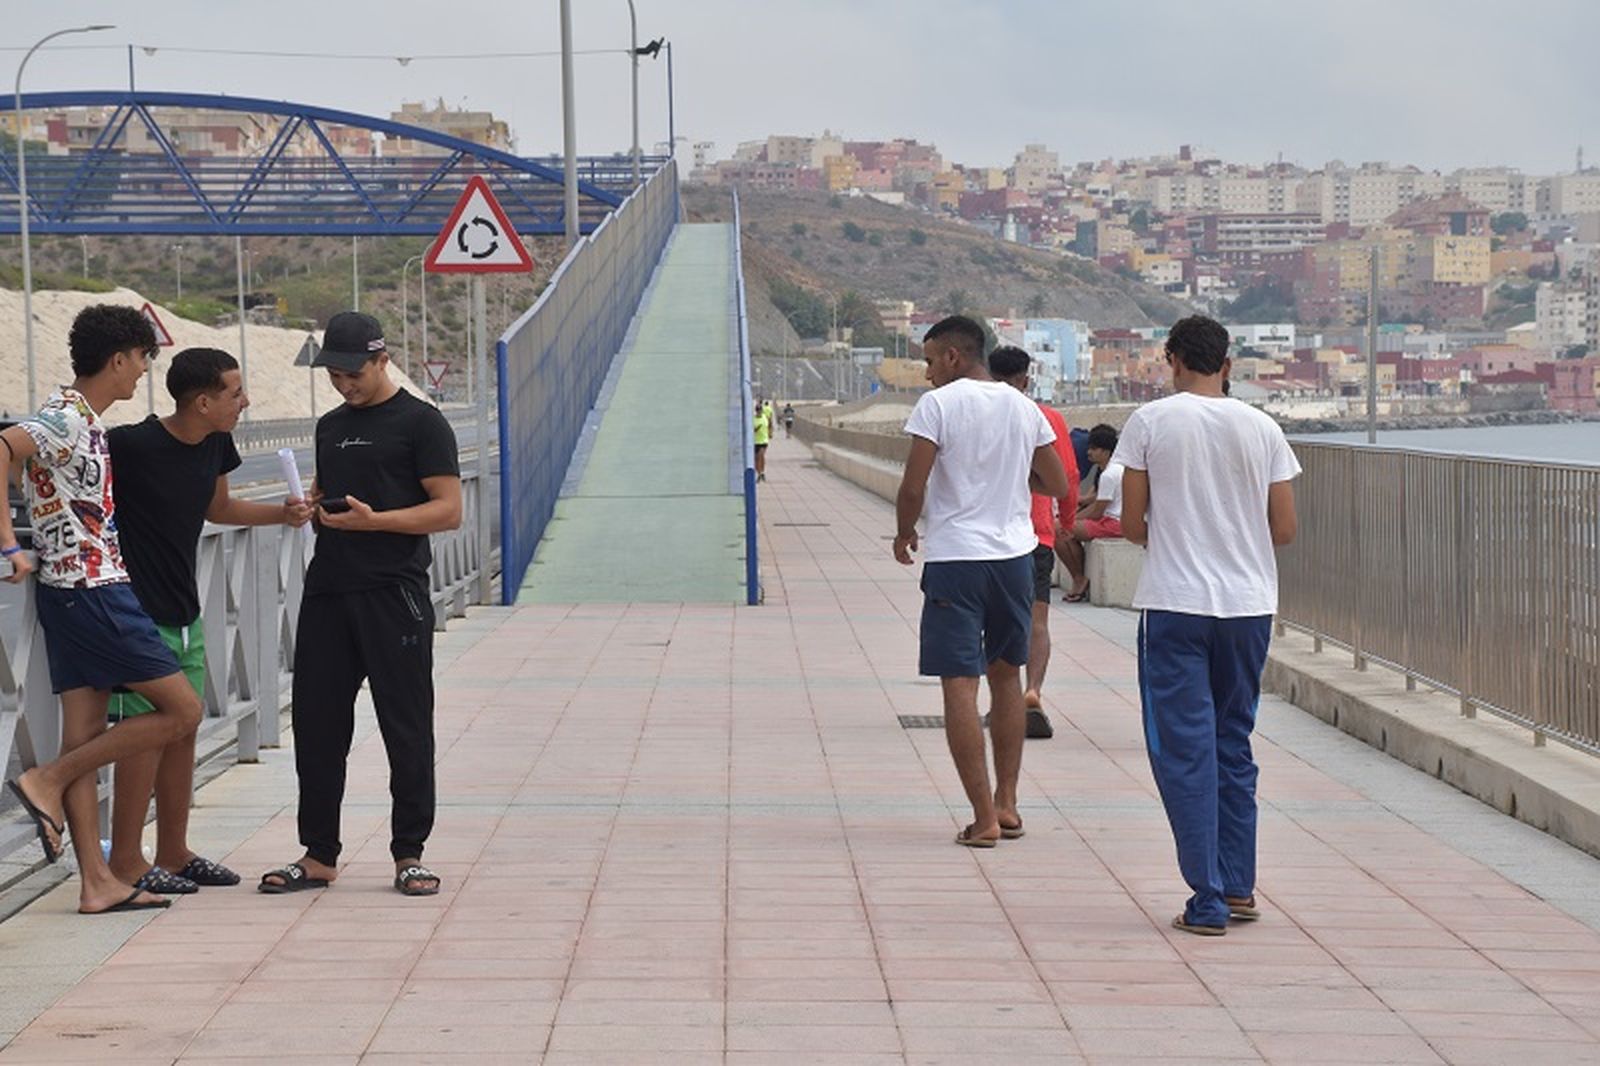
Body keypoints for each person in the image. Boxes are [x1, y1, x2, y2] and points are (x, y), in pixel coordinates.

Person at [0, 304, 203, 915]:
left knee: (85, 731)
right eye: (142, 359)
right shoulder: (63, 418)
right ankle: (48, 780)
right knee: (183, 710)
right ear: (119, 359)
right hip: (94, 591)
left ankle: (96, 883)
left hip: (71, 594)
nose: (143, 372)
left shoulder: (85, 421)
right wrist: (9, 543)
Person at [259, 311, 462, 898]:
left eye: (354, 373)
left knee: (405, 724)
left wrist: (378, 524)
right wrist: (307, 505)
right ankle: (318, 854)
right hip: (328, 590)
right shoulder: (330, 426)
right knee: (318, 726)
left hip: (393, 592)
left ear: (381, 360)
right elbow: (330, 492)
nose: (345, 384)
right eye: (335, 375)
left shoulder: (421, 424)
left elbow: (448, 510)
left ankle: (409, 854)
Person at [1112, 314, 1300, 936]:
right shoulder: (1263, 426)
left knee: (1183, 750)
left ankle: (1208, 896)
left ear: (1171, 360)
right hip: (1248, 607)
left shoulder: (1150, 423)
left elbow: (1133, 523)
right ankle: (1239, 883)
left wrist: (1177, 535)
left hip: (1176, 603)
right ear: (1227, 365)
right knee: (1232, 743)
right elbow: (1283, 529)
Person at [105, 348, 313, 895]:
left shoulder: (218, 443)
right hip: (135, 612)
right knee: (140, 738)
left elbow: (217, 509)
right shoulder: (129, 445)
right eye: (235, 394)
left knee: (182, 730)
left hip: (184, 610)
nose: (244, 402)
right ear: (203, 401)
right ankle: (126, 859)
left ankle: (174, 852)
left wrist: (281, 514)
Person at [893, 316, 1070, 847]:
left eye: (928, 361)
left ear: (952, 356)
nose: (925, 374)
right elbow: (1057, 482)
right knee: (1006, 677)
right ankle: (1008, 804)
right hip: (1015, 557)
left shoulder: (939, 406)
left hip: (956, 560)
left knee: (959, 684)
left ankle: (981, 819)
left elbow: (912, 486)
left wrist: (904, 534)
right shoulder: (1024, 407)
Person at [986, 346, 1078, 740]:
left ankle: (999, 701)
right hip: (1037, 532)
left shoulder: (980, 413)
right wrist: (1067, 523)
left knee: (995, 623)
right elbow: (1069, 477)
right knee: (1037, 620)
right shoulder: (1048, 417)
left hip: (990, 535)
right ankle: (1032, 691)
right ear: (1026, 379)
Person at [1056, 424, 1125, 603]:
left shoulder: (1110, 474)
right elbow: (1094, 498)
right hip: (1113, 520)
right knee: (1064, 530)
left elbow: (1096, 511)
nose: (1089, 453)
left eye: (1094, 449)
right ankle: (1079, 578)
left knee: (1057, 530)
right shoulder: (1112, 470)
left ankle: (1079, 578)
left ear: (1105, 451)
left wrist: (1068, 519)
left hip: (1113, 524)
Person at [752, 399, 771, 482]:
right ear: (756, 411)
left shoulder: (764, 417)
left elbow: (769, 423)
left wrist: (770, 432)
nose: (759, 412)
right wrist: (756, 428)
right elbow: (753, 430)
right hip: (756, 441)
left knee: (761, 455)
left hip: (764, 440)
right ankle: (760, 473)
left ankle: (761, 473)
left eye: (760, 410)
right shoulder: (753, 419)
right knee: (756, 458)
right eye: (758, 410)